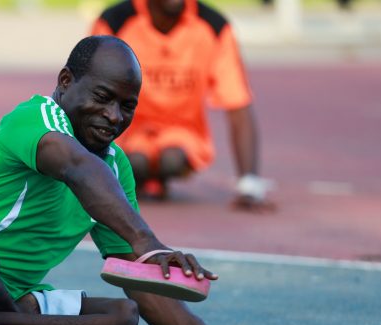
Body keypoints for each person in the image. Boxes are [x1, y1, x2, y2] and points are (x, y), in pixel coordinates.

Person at [0, 36, 293, 325]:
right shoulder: (34, 118)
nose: (113, 116)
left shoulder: (113, 166)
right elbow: (74, 166)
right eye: (103, 97)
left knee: (124, 316)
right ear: (65, 81)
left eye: (127, 106)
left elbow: (142, 286)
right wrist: (148, 242)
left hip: (12, 299)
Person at [91, 0, 274, 210]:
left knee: (171, 159)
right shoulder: (115, 21)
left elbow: (238, 102)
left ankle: (156, 178)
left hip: (182, 133)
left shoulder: (213, 26)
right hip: (126, 130)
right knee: (133, 163)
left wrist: (249, 185)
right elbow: (89, 90)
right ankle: (143, 180)